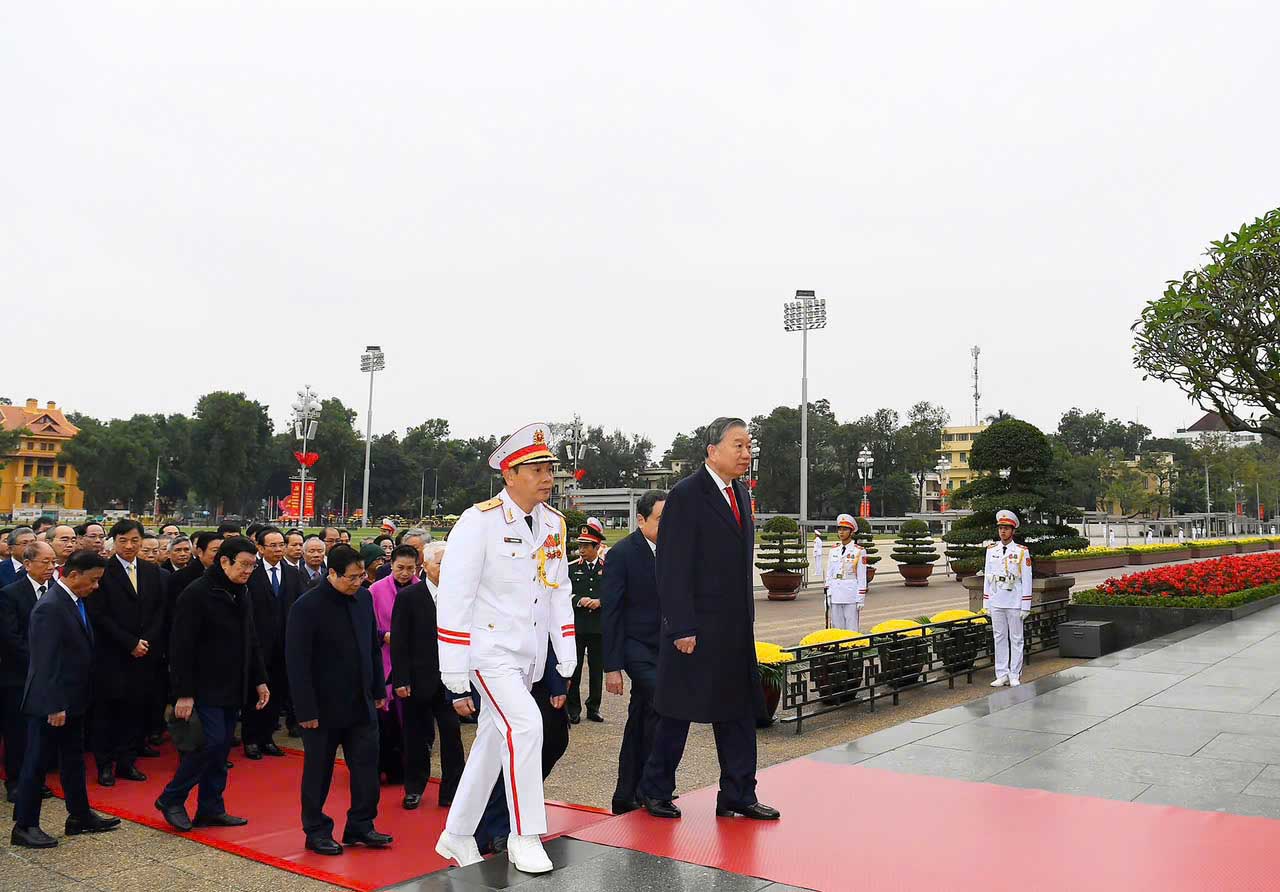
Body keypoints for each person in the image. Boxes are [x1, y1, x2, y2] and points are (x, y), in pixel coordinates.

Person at [434, 422, 576, 875]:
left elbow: (558, 591)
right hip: (488, 650)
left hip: (527, 656)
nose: (547, 476)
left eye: (549, 467)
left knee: (493, 739)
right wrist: (453, 665)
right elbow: (455, 595)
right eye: (536, 468)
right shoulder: (479, 521)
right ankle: (524, 833)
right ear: (509, 474)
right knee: (527, 725)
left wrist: (564, 650)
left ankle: (456, 833)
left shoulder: (554, 523)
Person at [637, 417, 779, 823]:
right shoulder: (686, 495)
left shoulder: (740, 493)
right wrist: (680, 626)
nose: (746, 453)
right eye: (738, 445)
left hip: (733, 629)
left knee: (737, 711)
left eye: (749, 446)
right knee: (676, 711)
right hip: (694, 630)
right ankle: (656, 789)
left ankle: (738, 793)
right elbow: (672, 565)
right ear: (712, 451)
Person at [156, 537, 270, 832]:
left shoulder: (240, 591)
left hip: (233, 684)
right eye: (243, 565)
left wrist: (259, 680)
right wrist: (183, 693)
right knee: (210, 743)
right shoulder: (196, 594)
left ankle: (210, 807)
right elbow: (181, 647)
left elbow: (251, 639)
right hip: (203, 686)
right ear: (224, 561)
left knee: (221, 751)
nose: (248, 571)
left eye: (253, 566)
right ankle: (172, 797)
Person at [10, 549, 121, 848]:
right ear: (73, 575)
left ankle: (80, 815)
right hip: (52, 703)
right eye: (93, 580)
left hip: (74, 698)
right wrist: (54, 704)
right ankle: (25, 825)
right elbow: (45, 661)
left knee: (74, 760)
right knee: (36, 762)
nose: (96, 586)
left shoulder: (74, 601)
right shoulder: (51, 607)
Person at [286, 544, 392, 856]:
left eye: (362, 576)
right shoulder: (306, 607)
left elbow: (371, 648)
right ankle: (316, 830)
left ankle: (361, 824)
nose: (359, 581)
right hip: (321, 708)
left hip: (361, 703)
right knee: (319, 772)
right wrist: (304, 709)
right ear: (332, 573)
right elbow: (297, 661)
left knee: (366, 768)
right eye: (353, 577)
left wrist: (377, 690)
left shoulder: (363, 598)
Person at [87, 519, 166, 787]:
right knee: (108, 711)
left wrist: (146, 641)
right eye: (123, 541)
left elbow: (159, 611)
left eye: (135, 540)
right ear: (114, 542)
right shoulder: (103, 572)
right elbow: (99, 615)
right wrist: (129, 642)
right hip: (113, 654)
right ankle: (105, 764)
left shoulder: (151, 571)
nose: (130, 546)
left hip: (144, 654)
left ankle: (126, 760)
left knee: (135, 709)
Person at [601, 489, 666, 814]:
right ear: (640, 519)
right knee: (659, 703)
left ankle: (628, 793)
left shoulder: (674, 551)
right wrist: (612, 666)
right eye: (660, 518)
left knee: (641, 716)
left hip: (666, 647)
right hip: (635, 646)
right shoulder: (622, 554)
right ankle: (651, 788)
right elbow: (610, 612)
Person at [390, 542, 464, 810]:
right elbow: (399, 641)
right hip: (417, 681)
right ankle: (414, 788)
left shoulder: (461, 595)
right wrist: (401, 679)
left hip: (450, 681)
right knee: (416, 738)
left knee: (452, 737)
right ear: (426, 565)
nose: (445, 569)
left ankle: (452, 790)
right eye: (440, 563)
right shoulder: (410, 596)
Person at [0, 541, 57, 803]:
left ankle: (36, 778)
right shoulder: (11, 594)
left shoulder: (57, 591)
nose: (50, 567)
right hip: (19, 674)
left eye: (52, 561)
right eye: (44, 562)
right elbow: (10, 637)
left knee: (42, 731)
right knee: (17, 731)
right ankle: (14, 781)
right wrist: (39, 660)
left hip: (51, 675)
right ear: (27, 564)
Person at [241, 527, 300, 760]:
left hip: (284, 646)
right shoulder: (251, 574)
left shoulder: (292, 574)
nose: (278, 549)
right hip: (258, 646)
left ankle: (267, 738)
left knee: (277, 694)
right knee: (254, 694)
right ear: (260, 548)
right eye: (272, 545)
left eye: (280, 545)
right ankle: (251, 739)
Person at [370, 544, 417, 785]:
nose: (405, 573)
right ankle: (378, 769)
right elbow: (368, 624)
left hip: (412, 662)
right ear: (391, 566)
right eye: (400, 568)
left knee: (407, 722)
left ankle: (403, 771)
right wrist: (384, 635)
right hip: (385, 658)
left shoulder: (421, 589)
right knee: (383, 722)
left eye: (410, 568)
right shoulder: (376, 590)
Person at [984, 509, 1033, 687]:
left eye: (1006, 528)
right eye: (1001, 528)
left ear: (1013, 531)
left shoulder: (1021, 551)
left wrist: (1025, 605)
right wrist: (986, 602)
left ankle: (1014, 674)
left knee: (1016, 638)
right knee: (999, 637)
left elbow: (1027, 578)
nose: (1003, 531)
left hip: (1014, 599)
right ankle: (1002, 673)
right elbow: (987, 577)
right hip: (997, 598)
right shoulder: (991, 550)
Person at [566, 526, 606, 724]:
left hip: (598, 627)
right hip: (578, 626)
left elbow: (615, 591)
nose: (581, 550)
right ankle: (573, 709)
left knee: (597, 669)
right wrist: (579, 600)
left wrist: (601, 601)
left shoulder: (607, 568)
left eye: (586, 546)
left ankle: (594, 707)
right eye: (580, 546)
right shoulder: (572, 568)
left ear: (596, 547)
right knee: (575, 668)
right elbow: (564, 593)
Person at [825, 514, 868, 632]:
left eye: (845, 529)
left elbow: (862, 576)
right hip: (835, 594)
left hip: (851, 595)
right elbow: (829, 574)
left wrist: (860, 598)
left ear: (851, 532)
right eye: (839, 529)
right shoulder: (833, 550)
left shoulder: (859, 551)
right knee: (837, 628)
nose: (841, 532)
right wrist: (828, 594)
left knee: (851, 628)